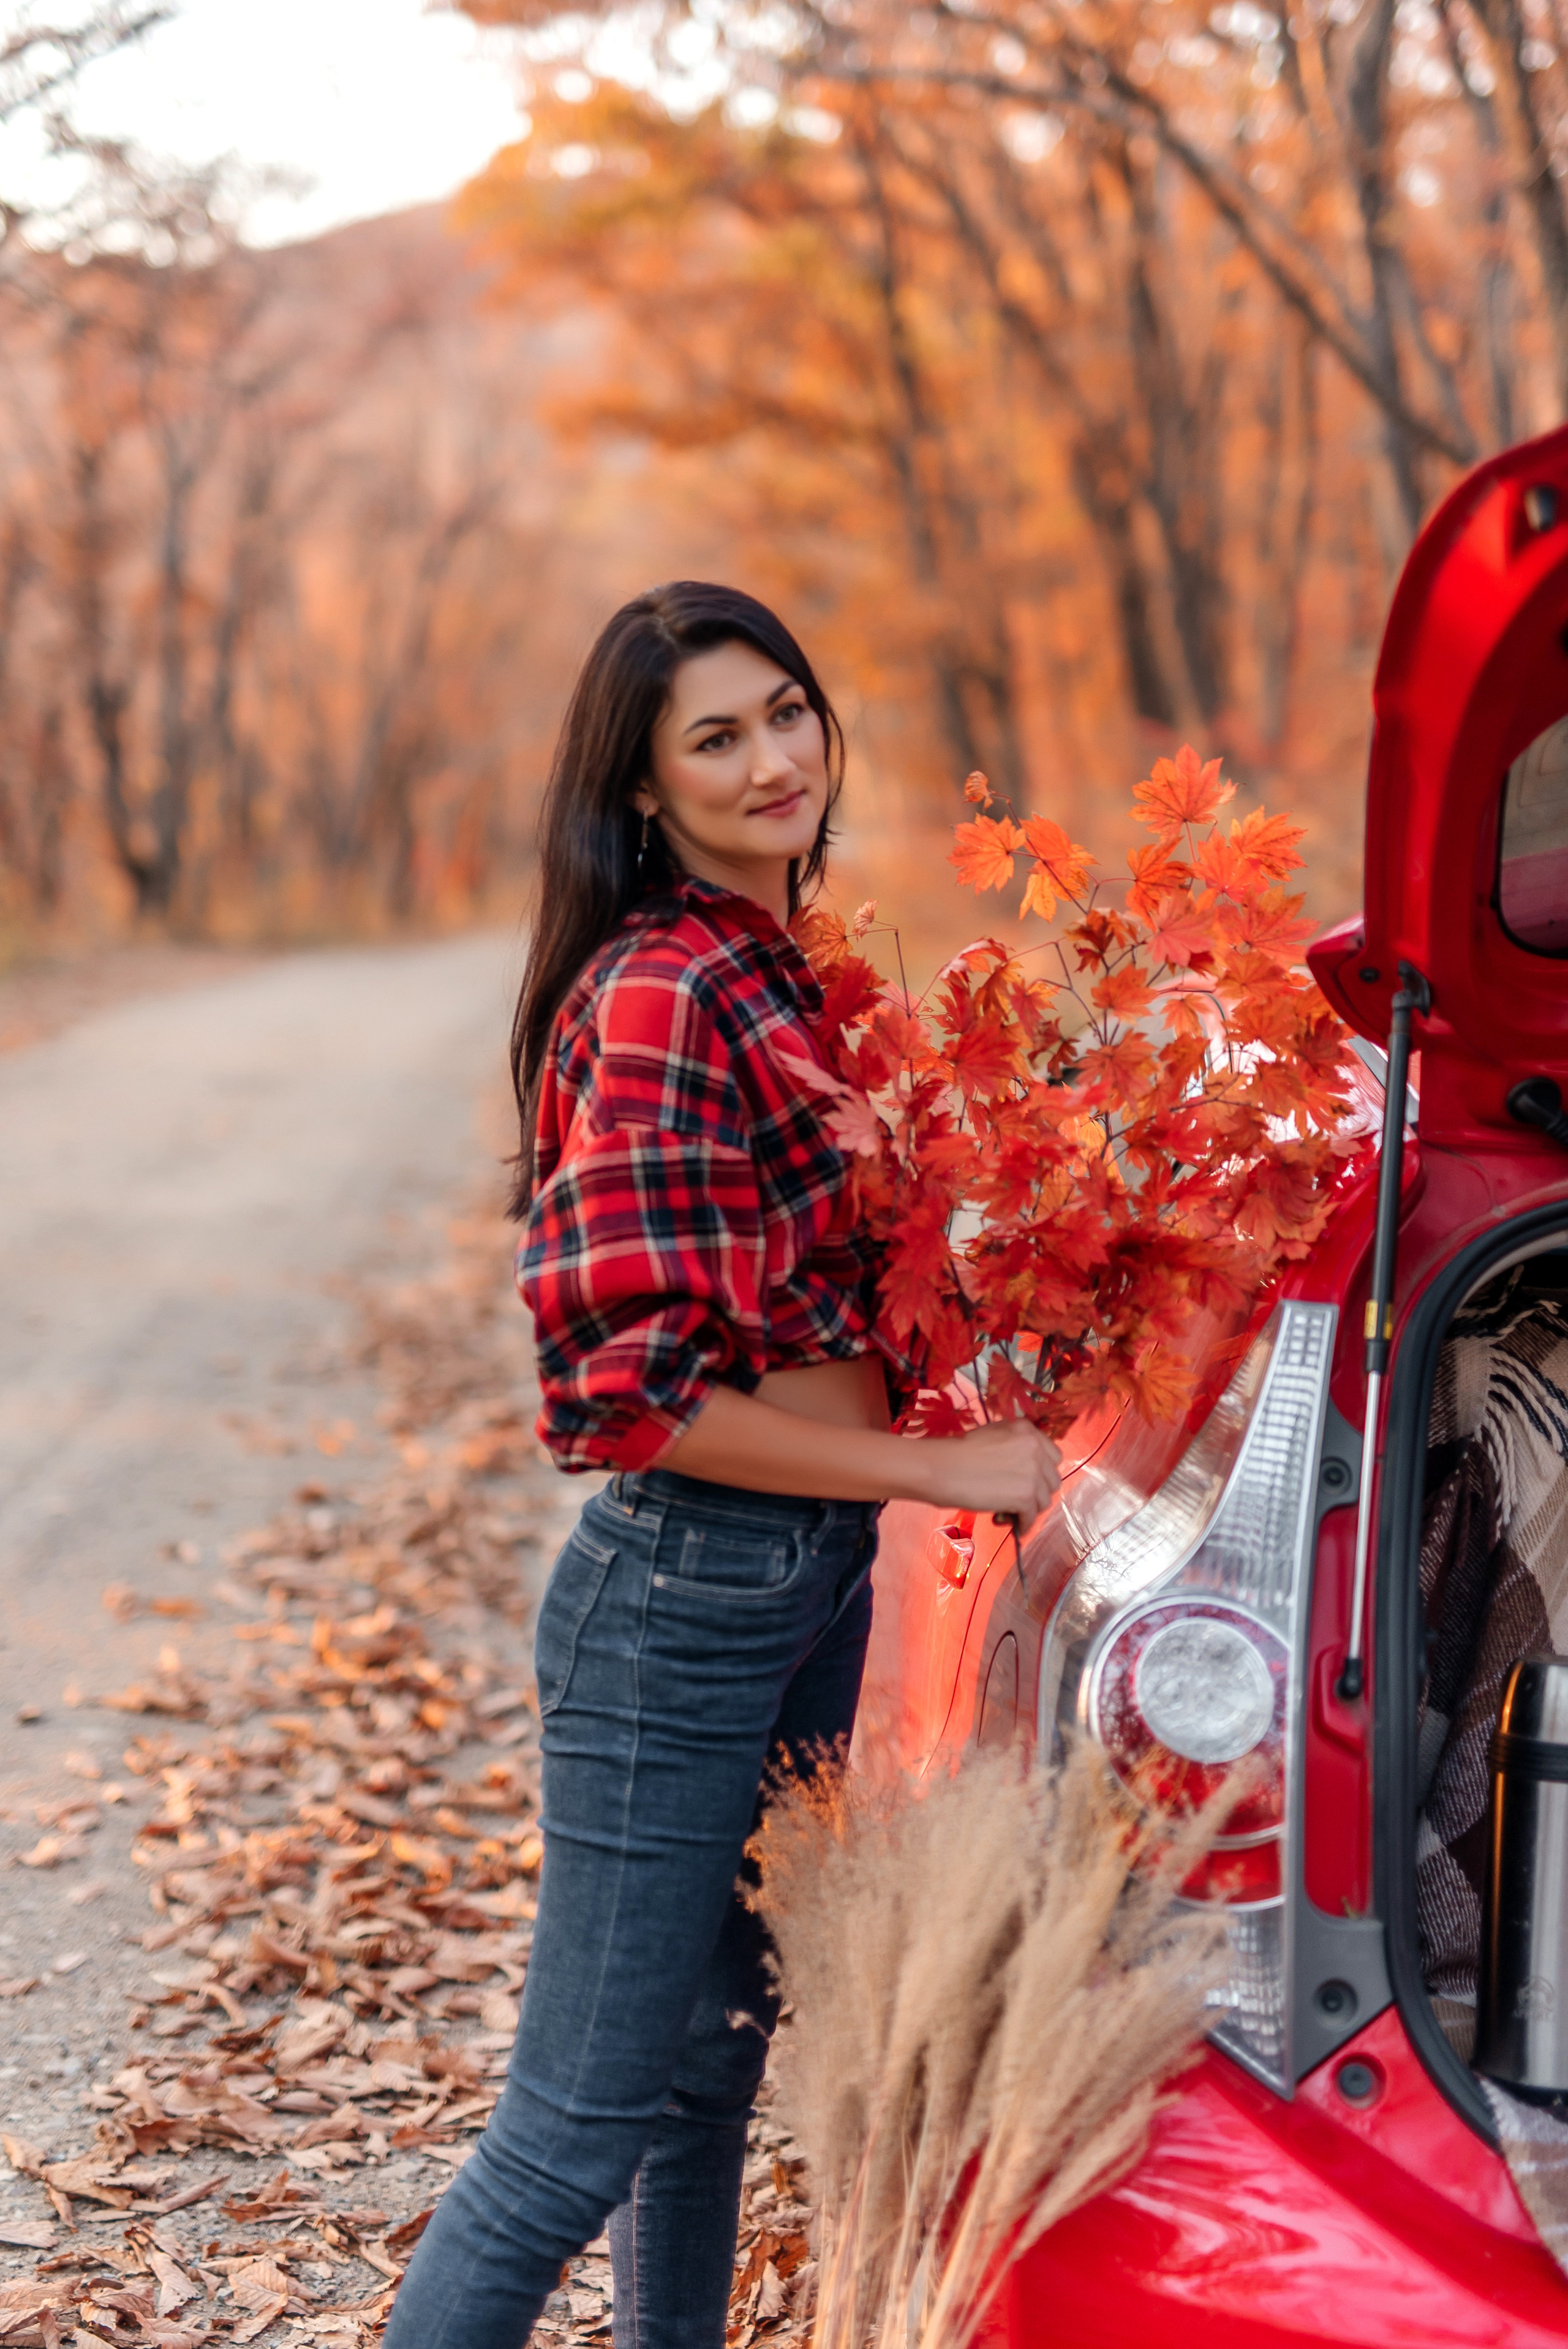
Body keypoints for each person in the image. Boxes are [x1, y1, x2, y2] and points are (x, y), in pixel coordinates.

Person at [382, 582, 1060, 2349]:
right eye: (717, 737)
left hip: (806, 1580)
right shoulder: (666, 987)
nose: (774, 759)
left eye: (787, 712)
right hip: (679, 1599)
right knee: (576, 2123)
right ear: (645, 792)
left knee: (705, 2087)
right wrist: (939, 1463)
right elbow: (623, 1396)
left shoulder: (793, 975)